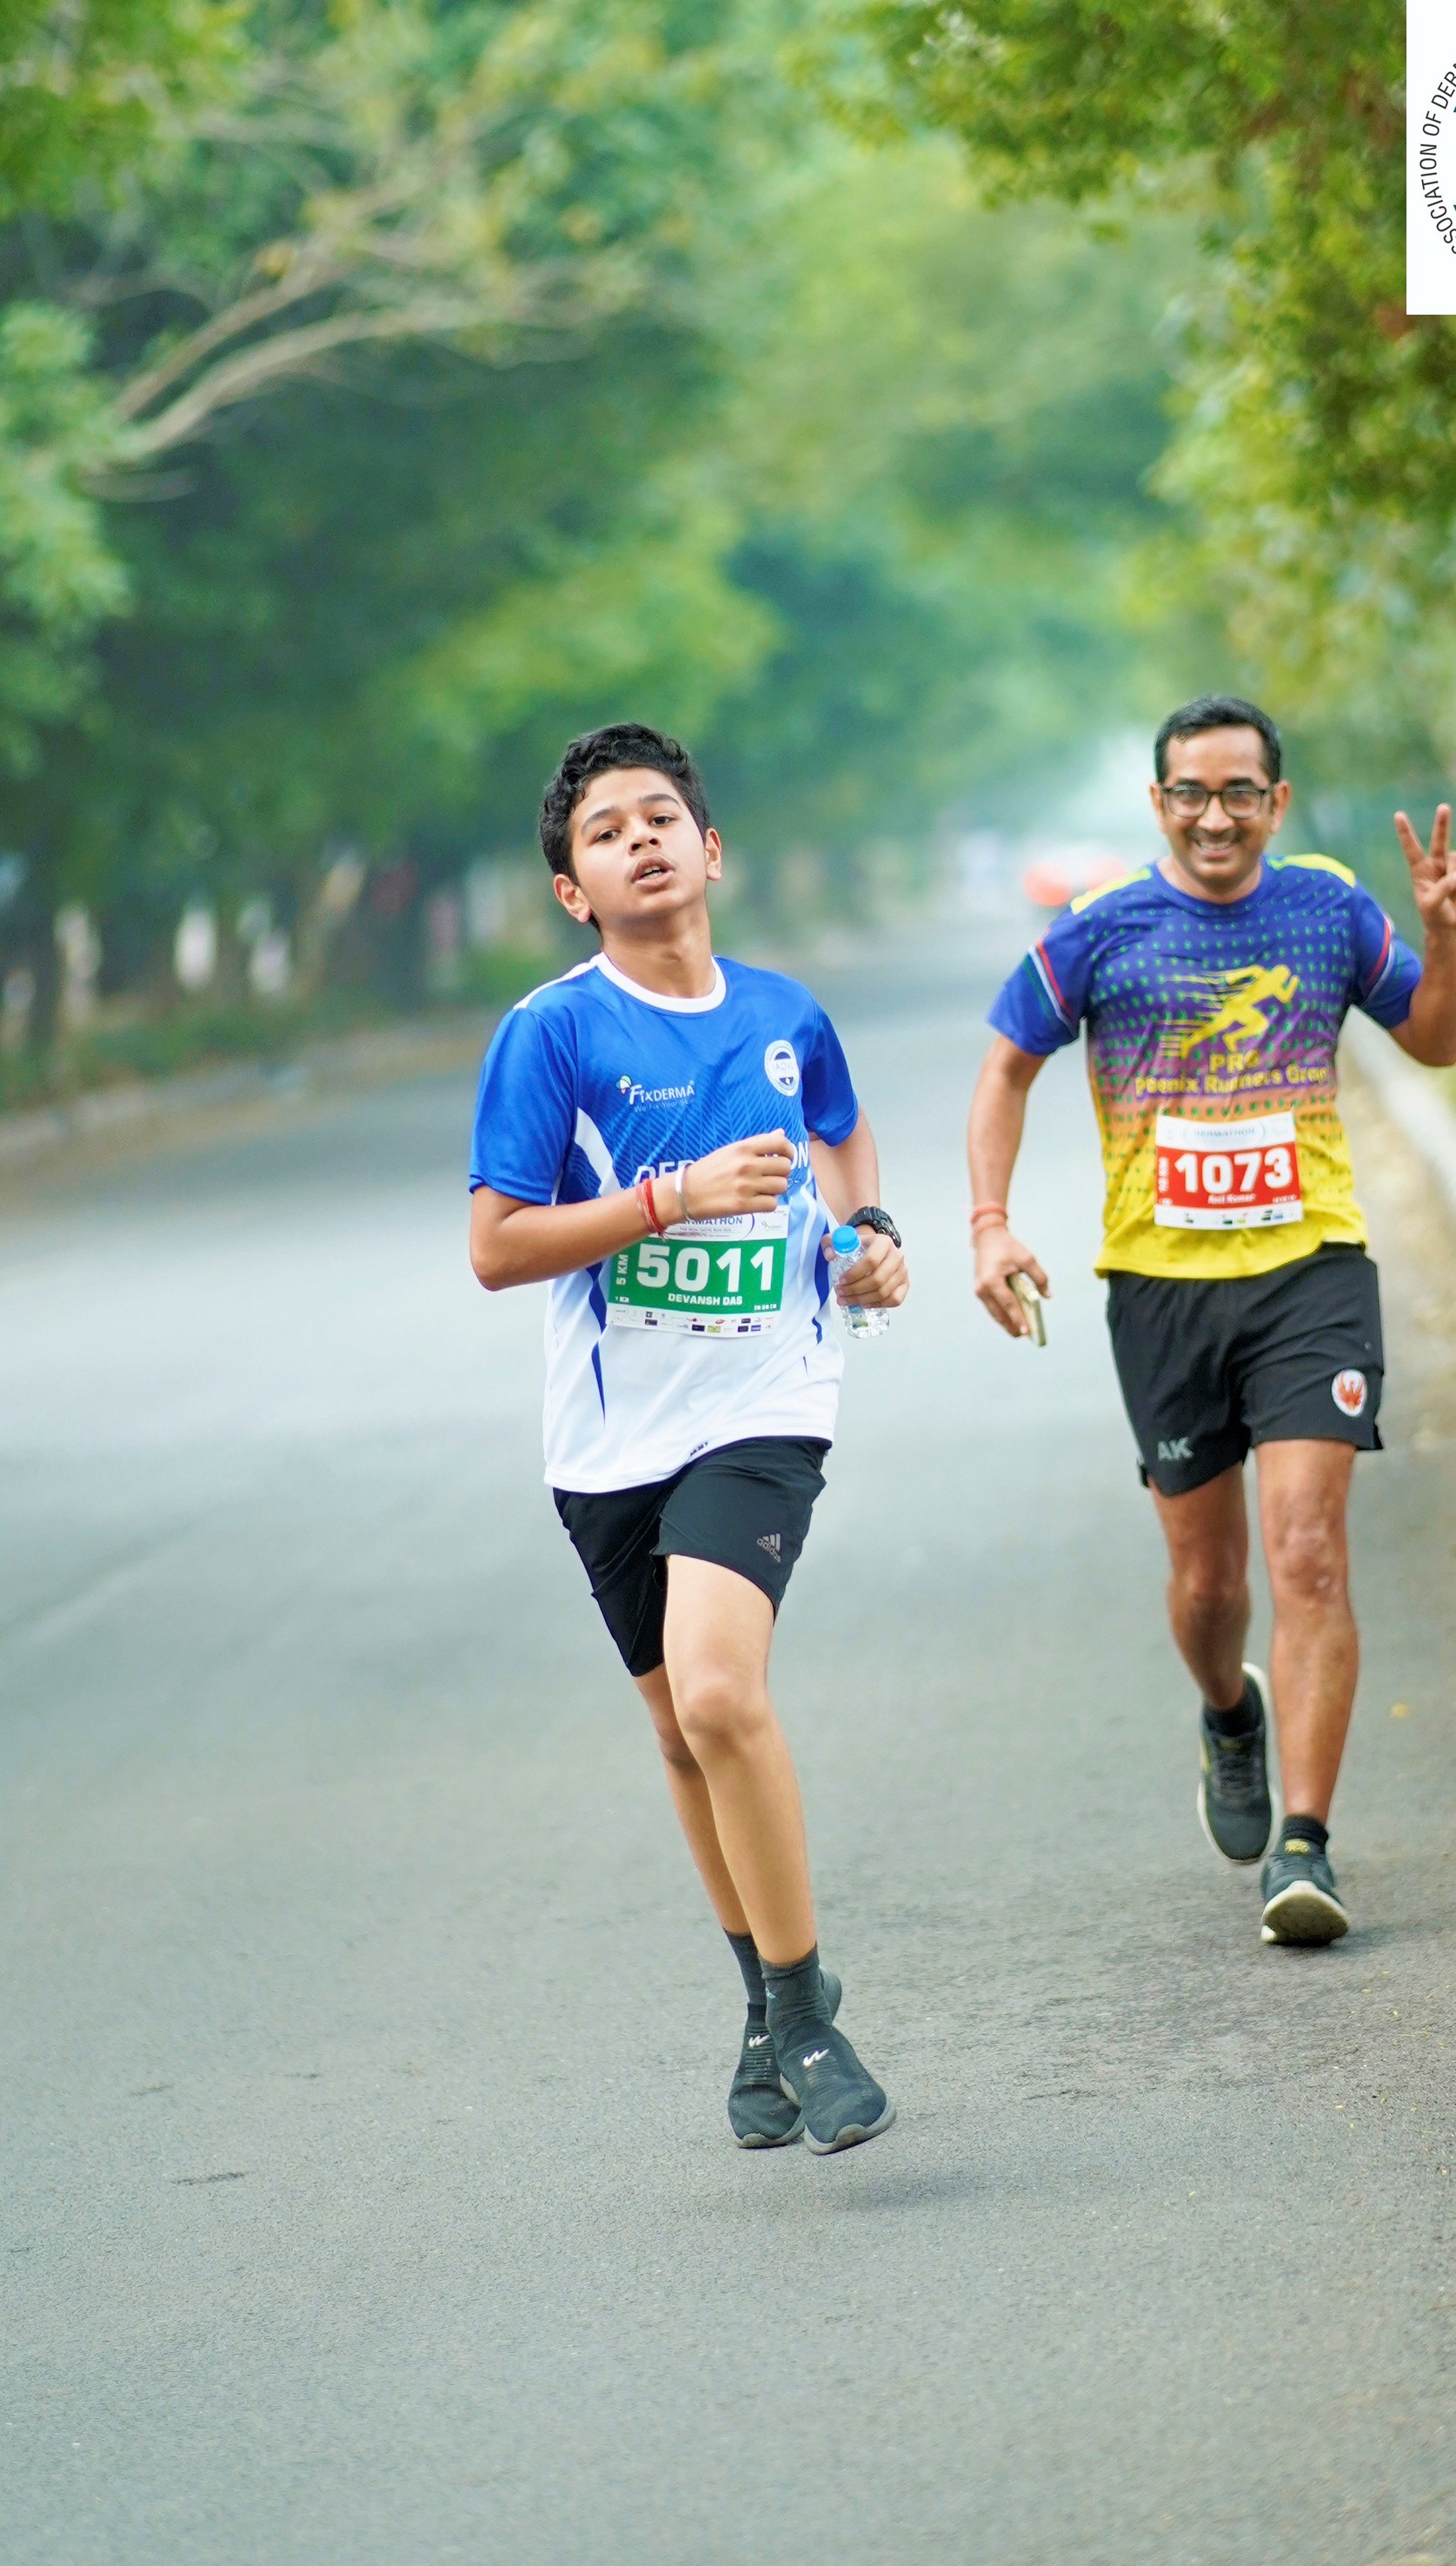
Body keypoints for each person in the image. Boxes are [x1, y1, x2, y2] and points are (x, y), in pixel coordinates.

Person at [967, 695, 1456, 1944]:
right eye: (1190, 793)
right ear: (1158, 803)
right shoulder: (1098, 928)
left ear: (1275, 802)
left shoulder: (1330, 909)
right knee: (1209, 1584)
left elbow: (1437, 1042)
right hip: (1161, 1289)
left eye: (1240, 792)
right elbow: (1007, 1066)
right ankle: (1228, 1713)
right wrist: (989, 1224)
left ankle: (1305, 1847)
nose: (1215, 816)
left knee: (1308, 1551)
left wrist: (1443, 937)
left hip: (1312, 1270)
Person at [468, 721, 908, 2149]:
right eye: (605, 834)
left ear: (710, 850)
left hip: (767, 1399)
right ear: (573, 891)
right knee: (677, 1730)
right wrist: (672, 1197)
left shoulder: (784, 1012)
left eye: (660, 818)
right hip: (609, 1435)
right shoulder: (552, 1033)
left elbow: (840, 1132)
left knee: (721, 1697)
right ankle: (766, 2003)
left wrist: (872, 1236)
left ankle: (804, 2014)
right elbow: (497, 1247)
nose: (639, 841)